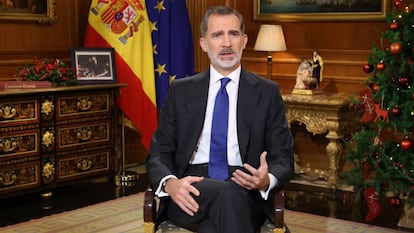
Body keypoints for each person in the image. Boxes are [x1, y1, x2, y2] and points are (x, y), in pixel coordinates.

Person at [145, 6, 294, 233]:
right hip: (190, 189)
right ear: (204, 44)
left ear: (244, 41)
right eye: (217, 35)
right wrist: (171, 183)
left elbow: (283, 157)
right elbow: (158, 152)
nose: (226, 43)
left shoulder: (266, 92)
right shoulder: (181, 91)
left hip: (246, 187)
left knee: (223, 210)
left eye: (233, 34)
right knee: (228, 200)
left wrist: (266, 180)